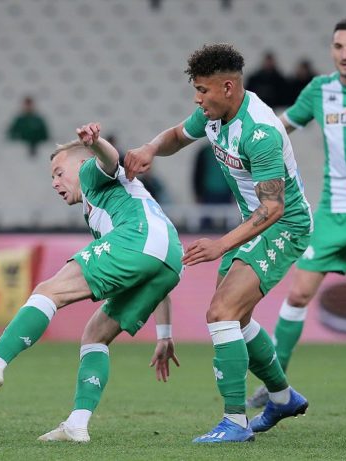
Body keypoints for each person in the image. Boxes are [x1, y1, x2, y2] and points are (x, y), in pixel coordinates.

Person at [0, 122, 184, 442]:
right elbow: (155, 263)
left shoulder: (91, 174)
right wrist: (165, 334)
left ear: (81, 164)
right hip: (170, 259)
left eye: (58, 172)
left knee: (48, 291)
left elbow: (111, 160)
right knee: (95, 335)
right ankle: (77, 425)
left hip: (138, 240)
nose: (55, 182)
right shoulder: (115, 204)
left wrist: (96, 143)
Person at [125, 43, 313, 443]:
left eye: (202, 90)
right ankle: (282, 398)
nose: (197, 99)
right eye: (195, 90)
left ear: (227, 87)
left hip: (284, 225)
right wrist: (150, 148)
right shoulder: (213, 115)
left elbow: (274, 207)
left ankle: (235, 422)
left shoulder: (260, 131)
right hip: (254, 223)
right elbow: (177, 135)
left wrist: (221, 245)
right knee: (236, 319)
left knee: (221, 312)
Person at [246, 18, 346, 409]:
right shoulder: (319, 91)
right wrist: (252, 144)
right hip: (333, 213)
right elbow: (280, 129)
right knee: (297, 294)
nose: (345, 54)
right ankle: (276, 385)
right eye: (339, 46)